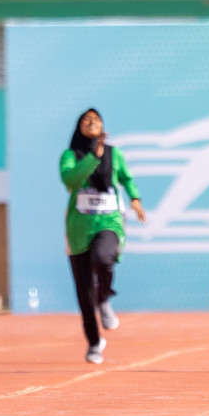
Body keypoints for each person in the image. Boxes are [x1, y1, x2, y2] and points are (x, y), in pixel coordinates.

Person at [60, 109, 146, 364]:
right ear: (79, 127)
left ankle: (105, 297)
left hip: (109, 220)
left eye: (96, 119)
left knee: (104, 258)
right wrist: (92, 159)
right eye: (87, 120)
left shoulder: (113, 153)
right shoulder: (70, 155)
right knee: (84, 292)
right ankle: (95, 343)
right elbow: (70, 181)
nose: (92, 122)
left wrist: (136, 198)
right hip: (78, 227)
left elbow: (127, 178)